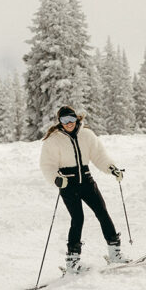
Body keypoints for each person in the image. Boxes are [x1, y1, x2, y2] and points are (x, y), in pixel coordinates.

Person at [39, 105, 128, 272]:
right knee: (77, 219)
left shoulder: (86, 134)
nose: (69, 123)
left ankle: (115, 253)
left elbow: (99, 156)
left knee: (102, 212)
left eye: (71, 118)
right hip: (68, 184)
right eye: (64, 120)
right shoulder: (53, 139)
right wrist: (56, 179)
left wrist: (112, 168)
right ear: (60, 122)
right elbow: (47, 165)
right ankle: (72, 262)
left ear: (76, 118)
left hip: (87, 181)